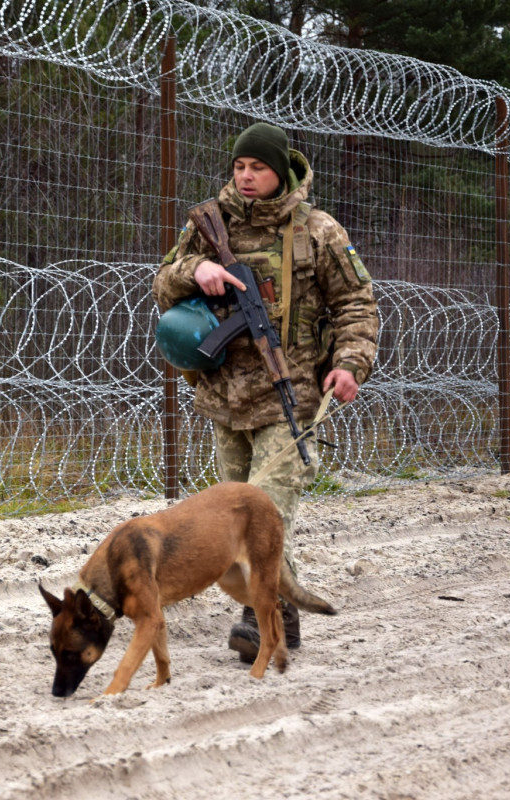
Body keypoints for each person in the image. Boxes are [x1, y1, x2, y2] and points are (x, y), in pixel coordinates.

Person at [152, 121, 379, 663]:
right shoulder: (209, 225)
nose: (247, 176)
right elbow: (162, 283)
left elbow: (357, 303)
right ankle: (288, 611)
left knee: (262, 515)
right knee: (236, 521)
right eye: (239, 166)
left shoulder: (318, 231)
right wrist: (197, 269)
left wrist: (350, 364)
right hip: (224, 398)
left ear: (280, 171)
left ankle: (259, 618)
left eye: (258, 167)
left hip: (293, 396)